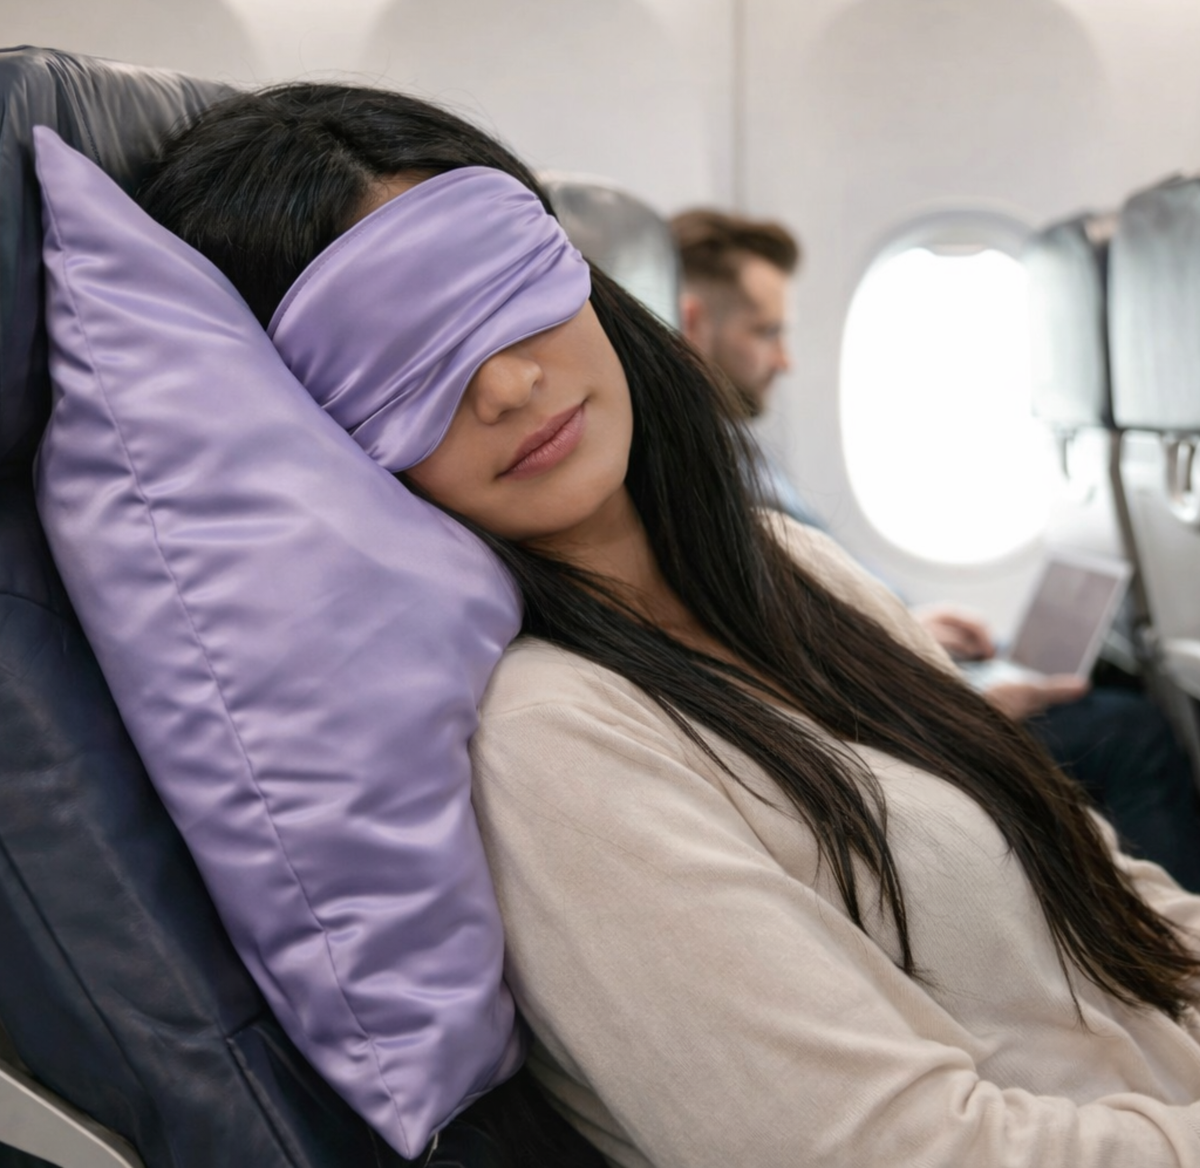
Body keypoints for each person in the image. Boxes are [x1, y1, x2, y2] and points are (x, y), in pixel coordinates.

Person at [138, 84, 1200, 1167]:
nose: (503, 382)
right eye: (395, 360)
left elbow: (1115, 899)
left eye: (493, 291)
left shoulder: (788, 562)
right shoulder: (552, 742)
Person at [672, 205, 1200, 891]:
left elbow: (808, 608)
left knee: (1100, 683)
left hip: (894, 665)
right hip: (882, 708)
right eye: (766, 331)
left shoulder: (734, 448)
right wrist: (946, 694)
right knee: (1130, 734)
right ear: (693, 323)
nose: (785, 358)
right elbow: (770, 662)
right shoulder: (700, 474)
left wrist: (912, 627)